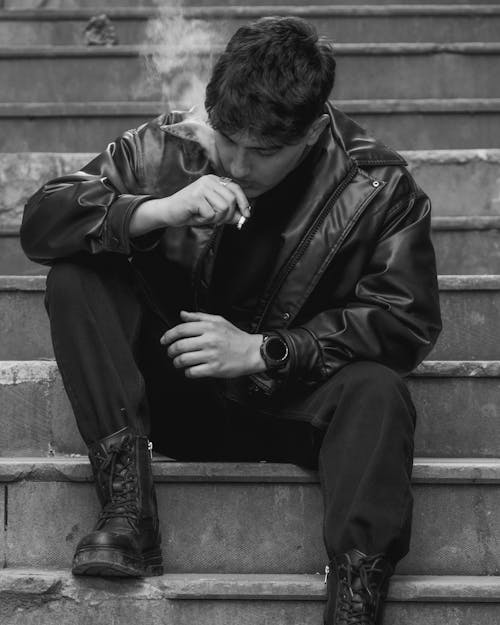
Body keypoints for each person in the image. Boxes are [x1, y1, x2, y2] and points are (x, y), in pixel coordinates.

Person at [20, 16, 441, 625]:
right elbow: (42, 222)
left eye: (264, 151)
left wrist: (267, 350)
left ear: (315, 128)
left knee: (379, 390)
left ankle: (355, 597)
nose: (239, 163)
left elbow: (407, 320)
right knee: (76, 273)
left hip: (289, 406)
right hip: (167, 399)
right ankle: (127, 516)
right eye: (228, 138)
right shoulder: (167, 146)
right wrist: (155, 210)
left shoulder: (378, 186)